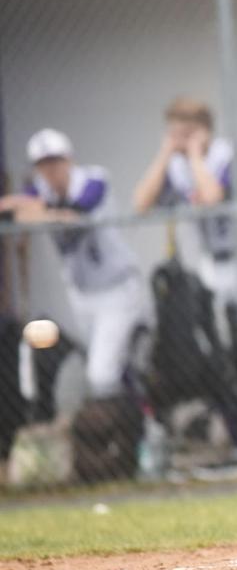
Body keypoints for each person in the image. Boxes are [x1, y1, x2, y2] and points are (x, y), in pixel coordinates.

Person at [0, 129, 148, 398]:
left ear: (69, 159)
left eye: (56, 161)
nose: (51, 170)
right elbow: (13, 211)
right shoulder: (40, 190)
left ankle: (127, 424)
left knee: (101, 375)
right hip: (82, 293)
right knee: (109, 365)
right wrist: (33, 209)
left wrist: (41, 213)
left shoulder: (93, 180)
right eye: (43, 164)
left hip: (117, 289)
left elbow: (79, 211)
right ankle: (139, 422)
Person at [132, 96, 237, 324]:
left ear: (203, 132)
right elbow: (141, 204)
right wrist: (164, 153)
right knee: (220, 335)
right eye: (173, 133)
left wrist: (194, 154)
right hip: (212, 262)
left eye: (185, 134)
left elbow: (212, 197)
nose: (178, 141)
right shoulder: (177, 165)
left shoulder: (230, 155)